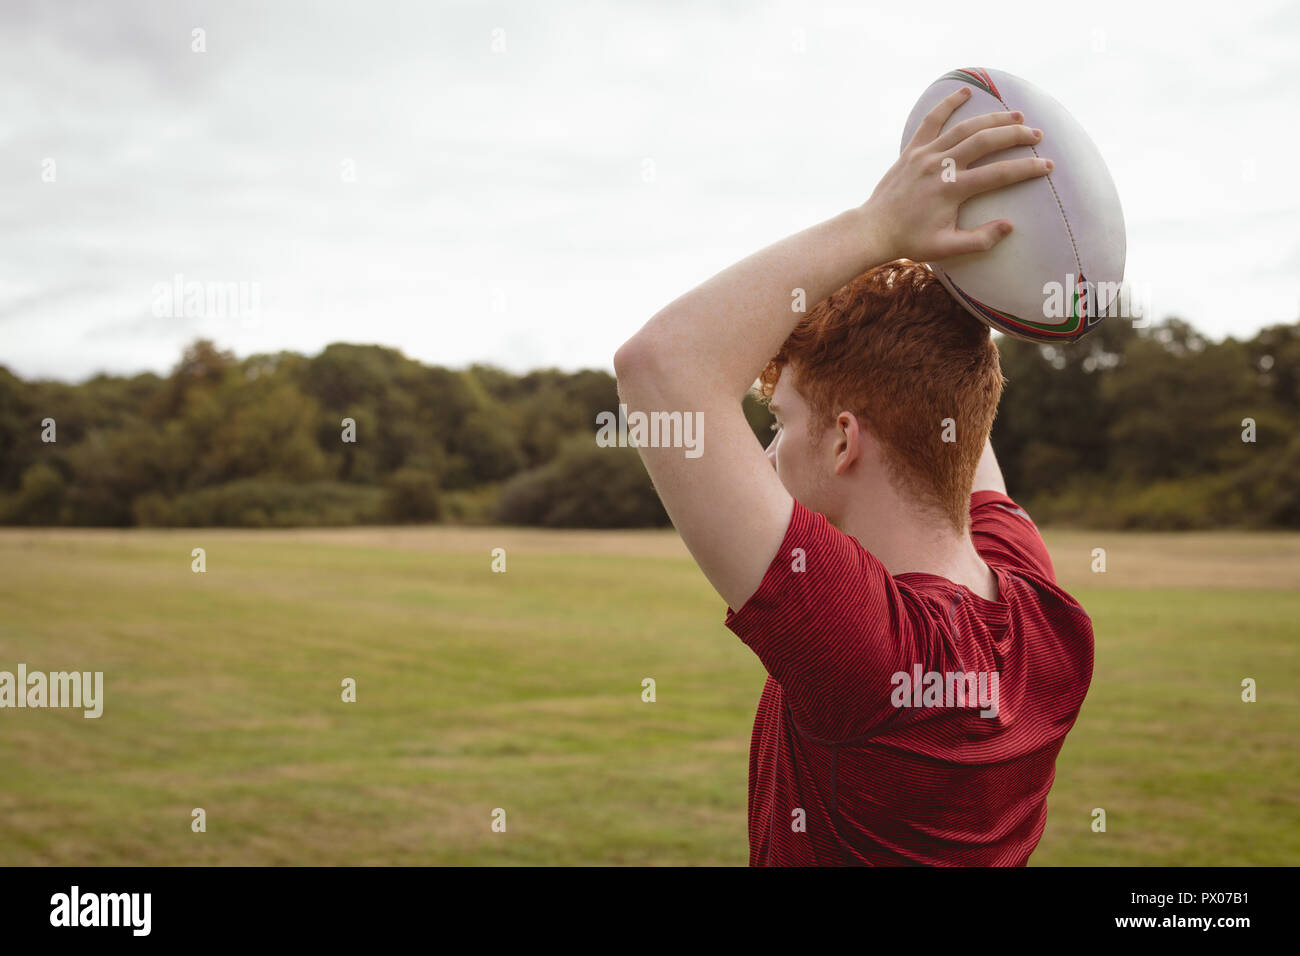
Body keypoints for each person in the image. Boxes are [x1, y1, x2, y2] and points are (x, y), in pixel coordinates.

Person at [613, 87, 1094, 865]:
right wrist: (959, 271)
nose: (767, 455)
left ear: (844, 443)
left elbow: (659, 365)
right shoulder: (1047, 615)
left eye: (779, 423)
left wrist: (880, 229)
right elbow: (949, 415)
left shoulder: (873, 654)